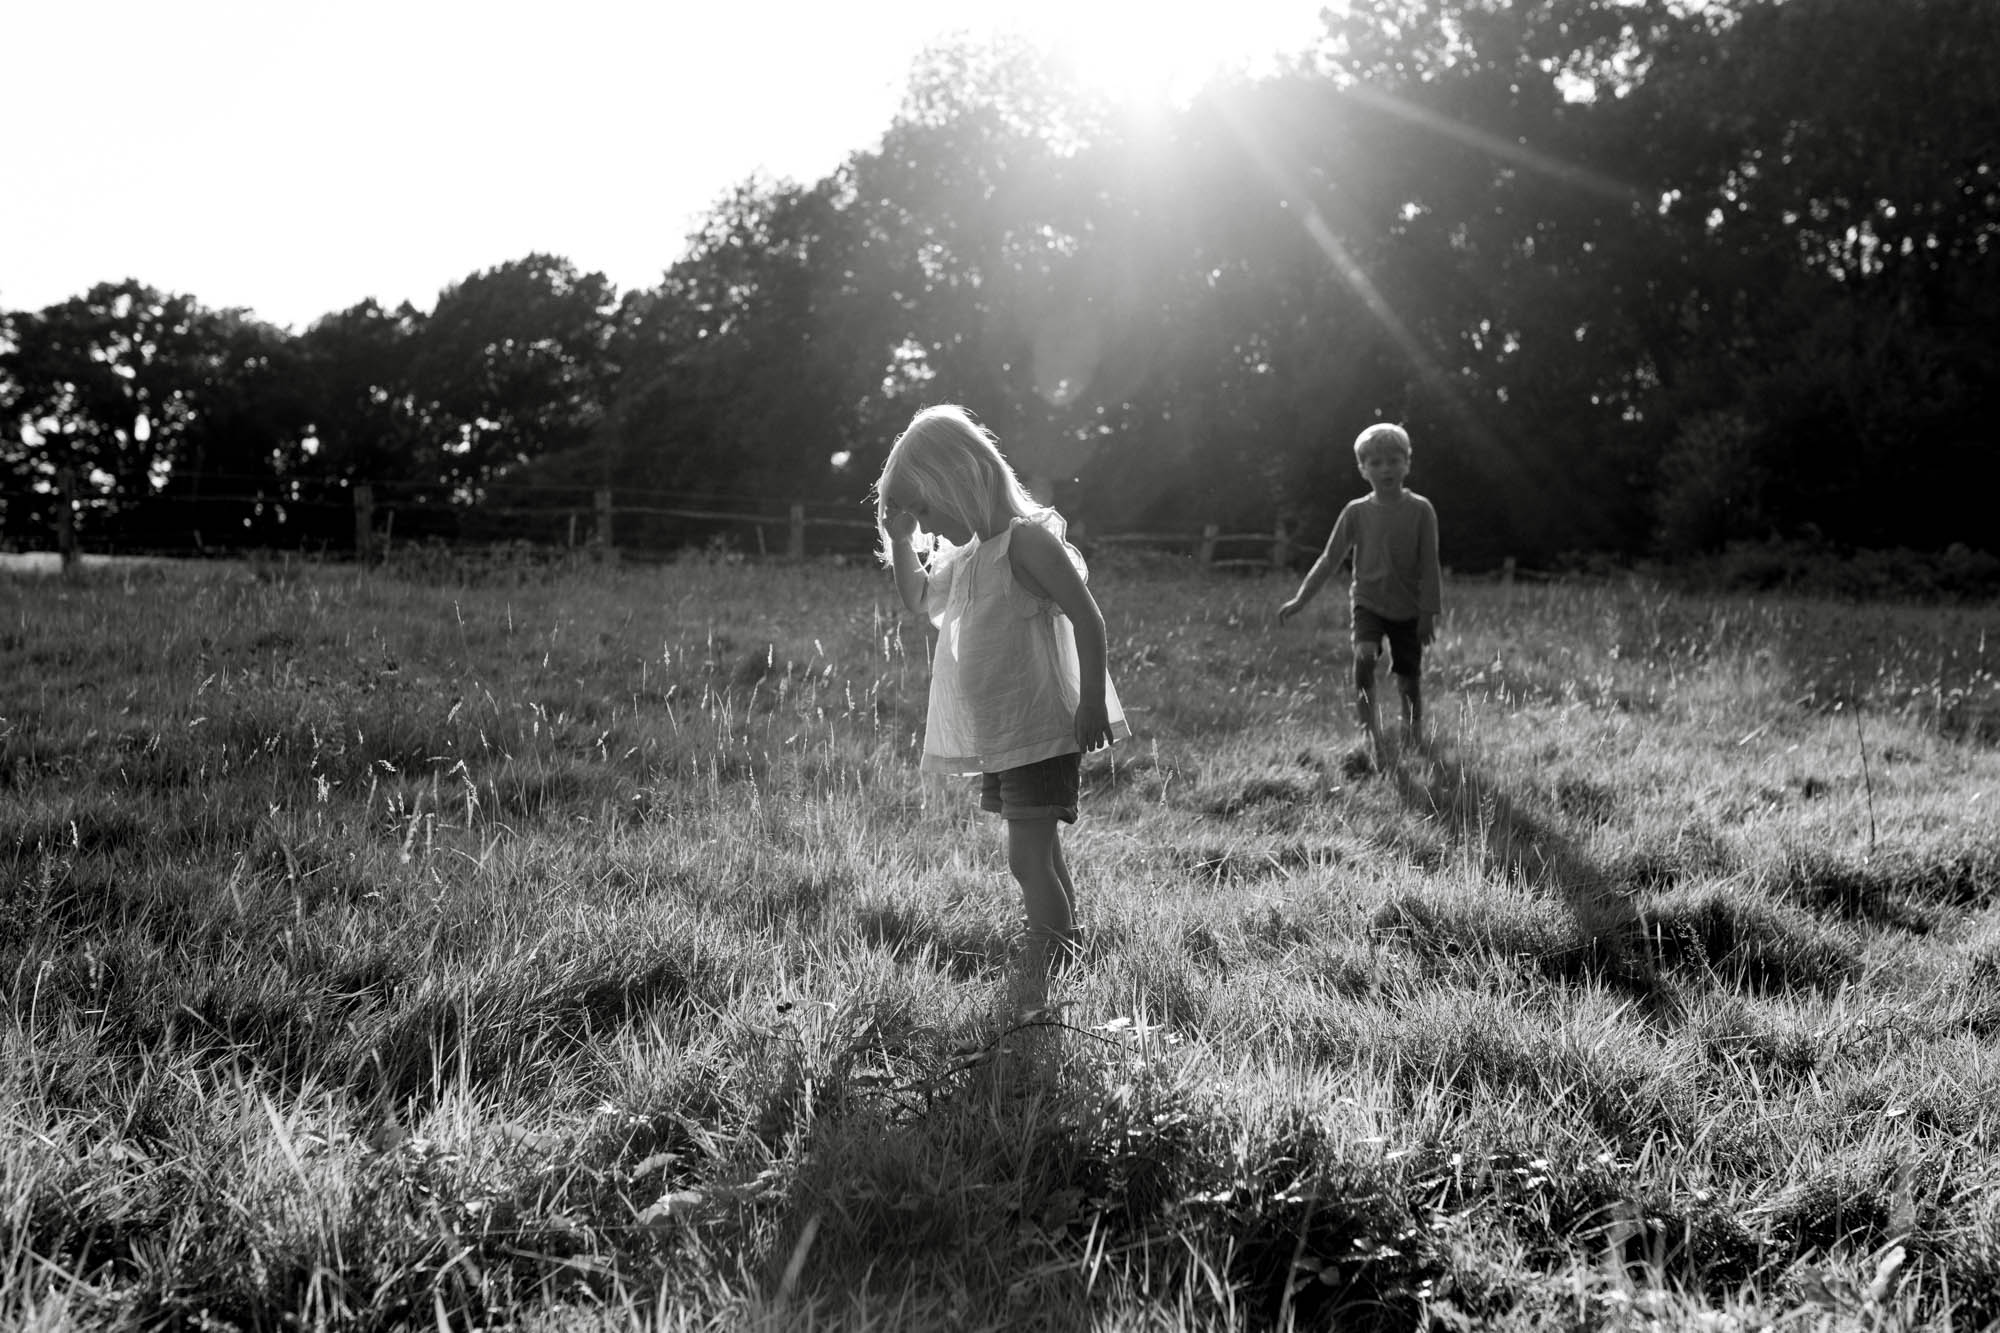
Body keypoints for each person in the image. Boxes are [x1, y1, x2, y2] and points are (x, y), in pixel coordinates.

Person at [875, 404, 1131, 972]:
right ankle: (1066, 951)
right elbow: (917, 599)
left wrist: (1091, 701)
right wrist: (902, 540)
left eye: (925, 508)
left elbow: (1088, 619)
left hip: (1041, 730)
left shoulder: (1025, 543)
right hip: (1007, 734)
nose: (926, 524)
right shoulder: (968, 556)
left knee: (1027, 860)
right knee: (1042, 853)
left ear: (959, 478)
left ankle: (1046, 961)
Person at [1278, 422, 1442, 764]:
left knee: (1408, 679)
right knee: (1364, 656)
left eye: (1394, 460)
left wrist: (1428, 613)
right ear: (1363, 469)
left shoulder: (1421, 510)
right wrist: (1301, 599)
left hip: (1409, 608)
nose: (1386, 469)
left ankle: (1413, 735)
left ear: (1407, 464)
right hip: (1368, 602)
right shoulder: (1355, 512)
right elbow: (1329, 559)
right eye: (1376, 462)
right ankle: (1369, 732)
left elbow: (1430, 564)